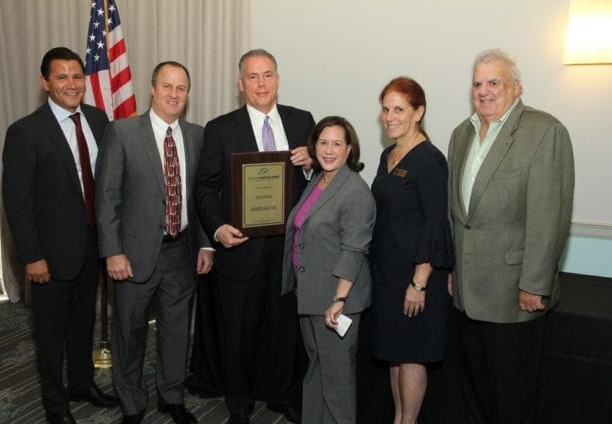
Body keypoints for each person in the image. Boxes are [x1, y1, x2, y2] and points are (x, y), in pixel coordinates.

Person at [448, 49, 574, 424]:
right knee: (474, 386)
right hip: (468, 293)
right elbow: (457, 216)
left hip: (514, 293)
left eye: (494, 82)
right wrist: (454, 269)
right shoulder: (461, 134)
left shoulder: (544, 131)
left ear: (516, 86)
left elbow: (549, 215)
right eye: (477, 83)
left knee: (512, 394)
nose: (484, 91)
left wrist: (534, 283)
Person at [194, 48, 314, 424]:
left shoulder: (302, 121)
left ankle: (278, 394)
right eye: (252, 77)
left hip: (288, 251)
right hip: (240, 249)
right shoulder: (220, 128)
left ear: (277, 79)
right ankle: (239, 404)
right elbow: (204, 187)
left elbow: (320, 181)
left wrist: (311, 164)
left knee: (282, 330)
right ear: (239, 84)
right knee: (238, 335)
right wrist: (216, 228)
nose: (260, 84)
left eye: (267, 75)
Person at [2, 46, 118, 424]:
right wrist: (31, 256)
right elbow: (17, 203)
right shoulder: (25, 132)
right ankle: (55, 403)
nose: (72, 84)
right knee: (50, 335)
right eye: (62, 77)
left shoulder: (100, 120)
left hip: (91, 247)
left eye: (77, 76)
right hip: (49, 256)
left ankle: (82, 383)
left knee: (84, 322)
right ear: (45, 83)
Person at [95, 61, 213, 424]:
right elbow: (107, 197)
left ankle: (171, 397)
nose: (174, 94)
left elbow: (205, 196)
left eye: (181, 88)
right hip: (133, 254)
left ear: (188, 94)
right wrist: (113, 251)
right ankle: (132, 404)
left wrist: (206, 244)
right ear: (152, 88)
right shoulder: (123, 132)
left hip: (182, 251)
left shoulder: (197, 135)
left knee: (177, 331)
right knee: (129, 332)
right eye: (167, 86)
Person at [370, 77, 454, 424]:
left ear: (418, 111)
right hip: (386, 275)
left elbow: (436, 223)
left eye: (399, 109)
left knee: (412, 355)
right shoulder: (388, 155)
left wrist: (419, 282)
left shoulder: (430, 160)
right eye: (386, 109)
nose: (390, 116)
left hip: (415, 278)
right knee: (394, 354)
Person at [282, 116, 375, 424]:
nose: (329, 150)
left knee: (337, 382)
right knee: (316, 372)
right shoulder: (319, 181)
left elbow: (354, 250)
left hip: (337, 300)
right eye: (323, 142)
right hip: (310, 295)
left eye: (337, 143)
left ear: (349, 149)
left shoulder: (355, 191)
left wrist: (339, 299)